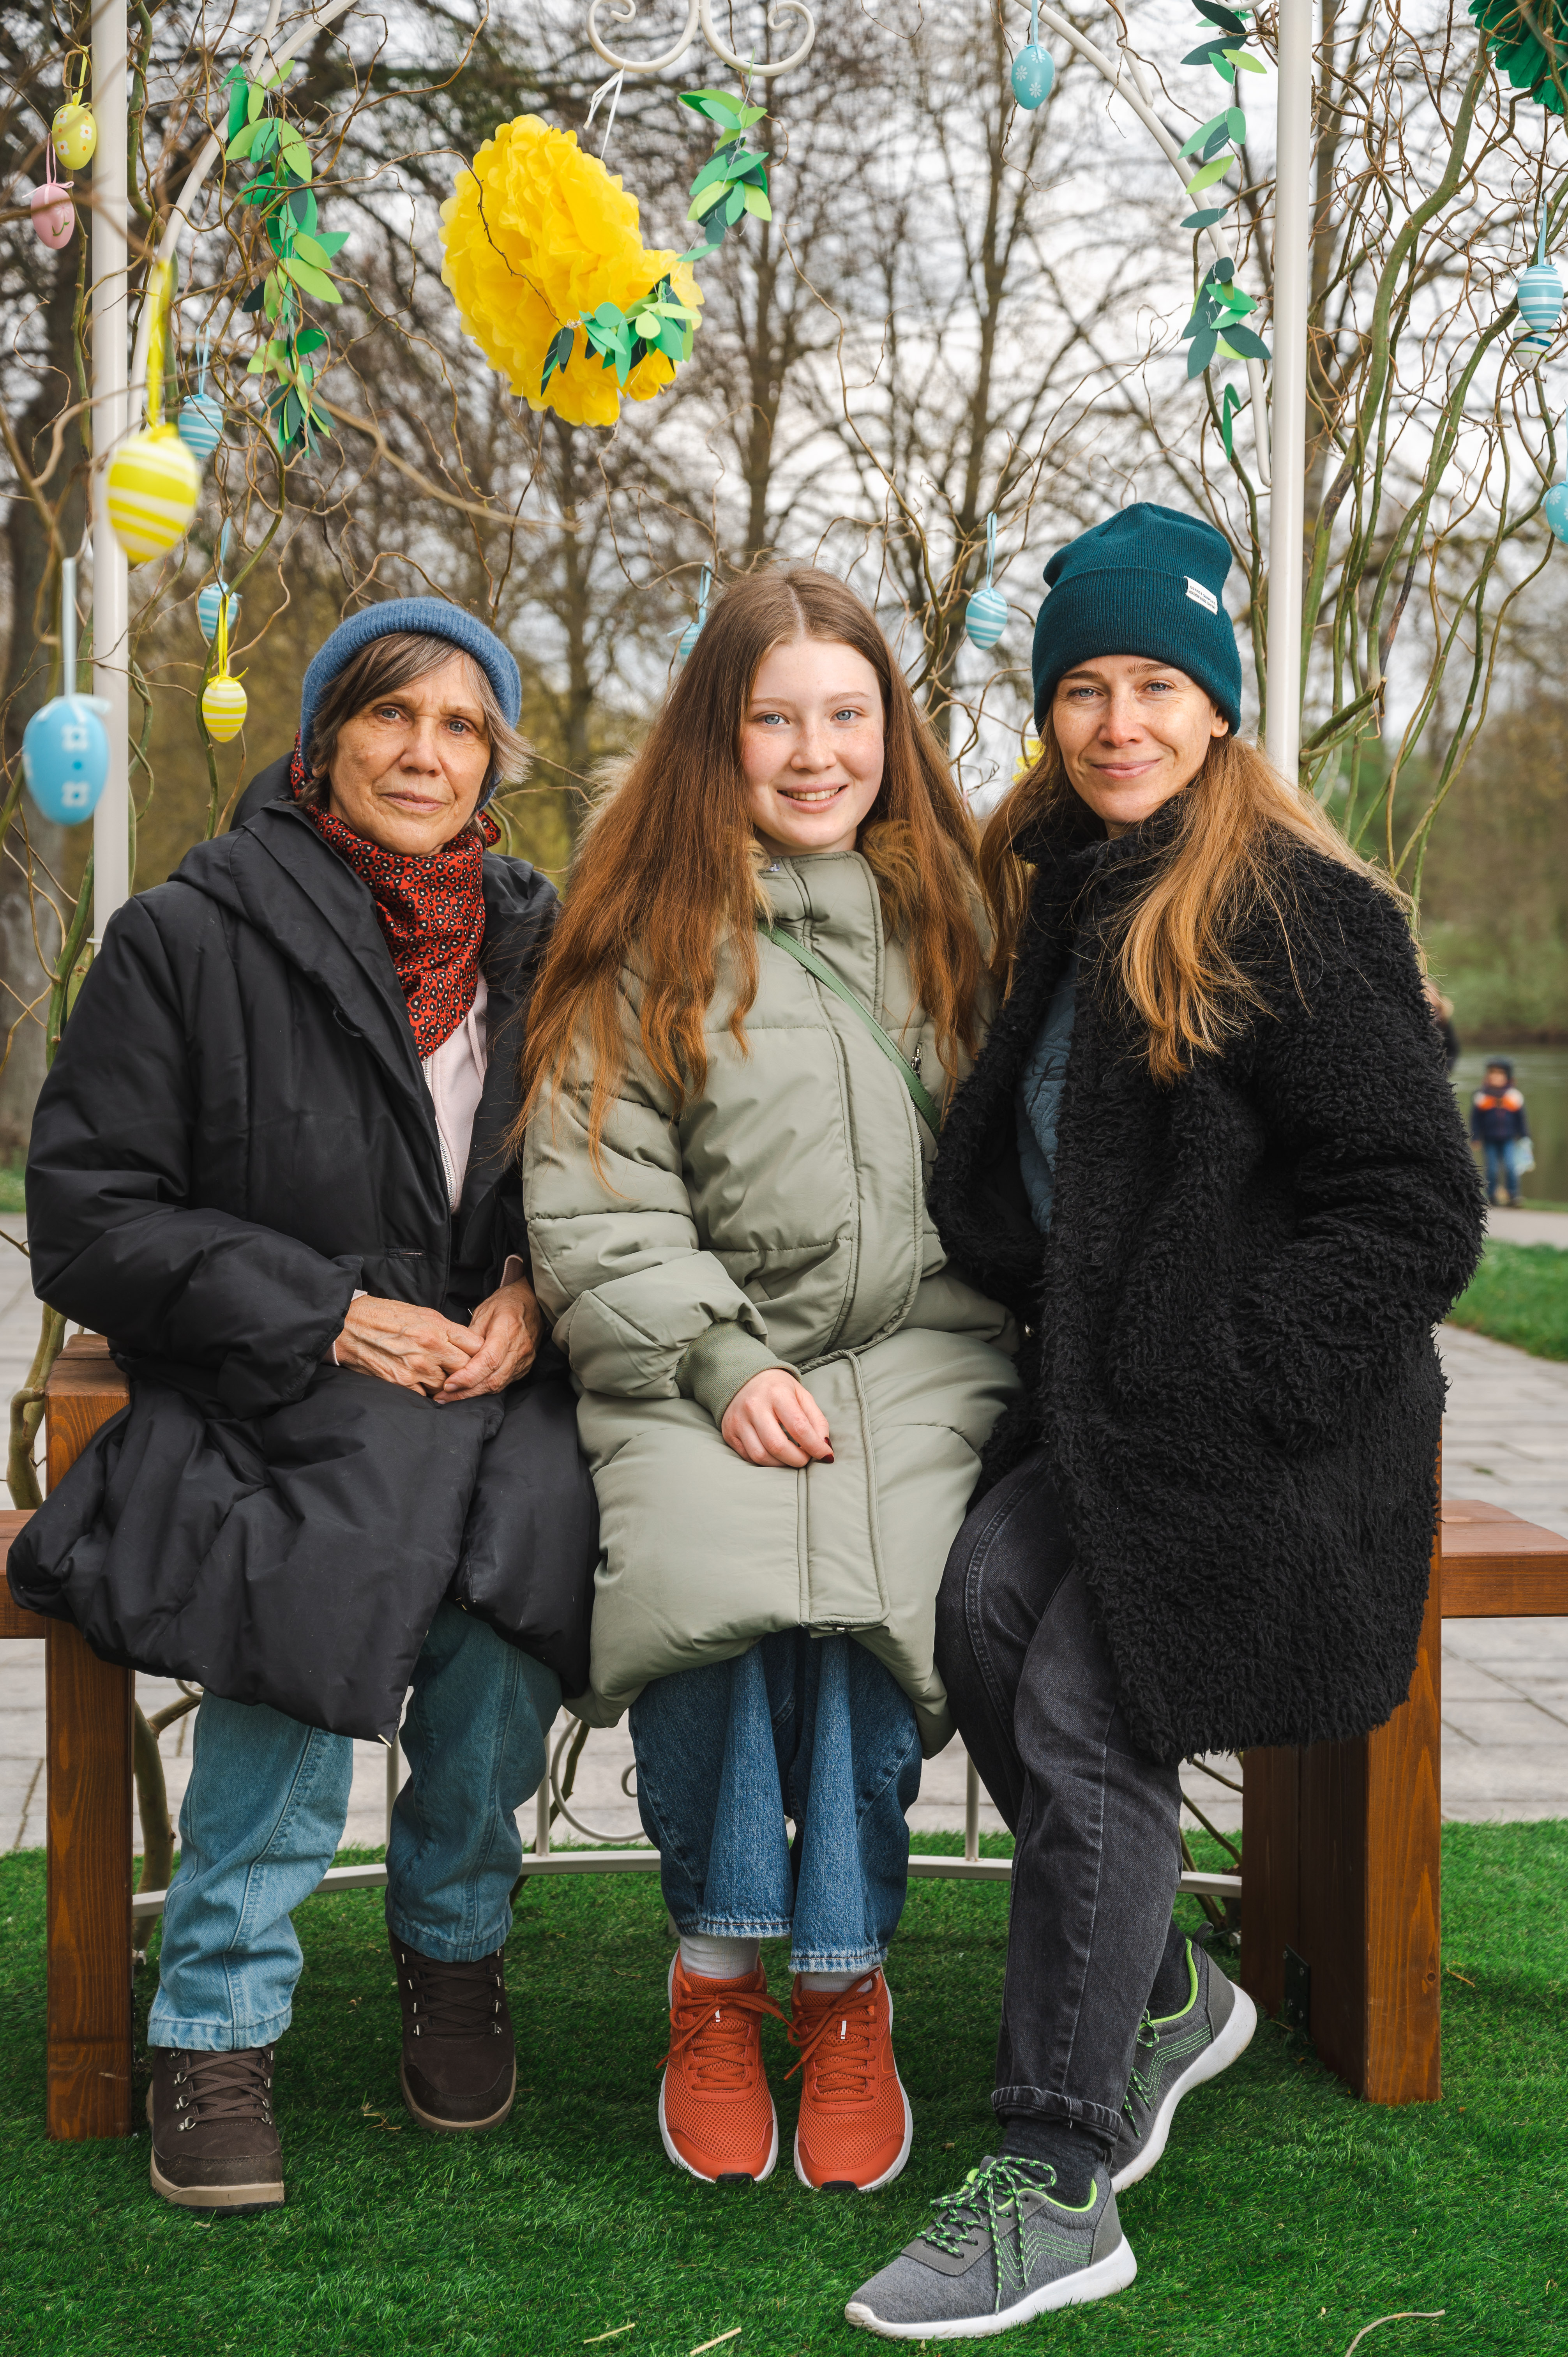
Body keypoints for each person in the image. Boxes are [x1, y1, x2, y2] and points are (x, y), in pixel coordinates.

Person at [846, 504, 1484, 2337]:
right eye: (1082, 689)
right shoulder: (1065, 890)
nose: (1116, 721)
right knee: (979, 1605)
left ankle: (1056, 2176)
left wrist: (1241, 1371)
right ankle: (1168, 1998)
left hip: (1281, 1436)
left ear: (1215, 705)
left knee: (1083, 1700)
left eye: (1153, 685)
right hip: (1116, 1412)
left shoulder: (1294, 910)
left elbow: (1413, 1208)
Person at [8, 599, 598, 2213]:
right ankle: (215, 2021)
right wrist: (322, 1312)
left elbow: (608, 1176)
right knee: (313, 1561)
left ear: (493, 764)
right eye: (390, 714)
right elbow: (89, 1218)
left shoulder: (549, 951)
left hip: (485, 1384)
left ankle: (455, 1945)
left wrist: (537, 1295)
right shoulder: (187, 934)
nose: (424, 752)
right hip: (268, 1382)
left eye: (461, 726)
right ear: (323, 738)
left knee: (524, 1554)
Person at [521, 569, 1018, 2194]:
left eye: (847, 714)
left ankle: (845, 1981)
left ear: (891, 727)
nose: (816, 754)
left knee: (872, 1585)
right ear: (714, 736)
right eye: (774, 718)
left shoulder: (965, 922)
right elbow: (597, 1198)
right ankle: (720, 1977)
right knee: (716, 1579)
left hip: (923, 1349)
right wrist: (717, 1358)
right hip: (691, 1347)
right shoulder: (640, 932)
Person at [1469, 1057, 1530, 1207]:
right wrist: (1475, 1137)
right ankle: (1491, 1196)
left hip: (1509, 1139)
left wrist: (1525, 1136)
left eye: (1500, 1074)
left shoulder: (1514, 1097)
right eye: (1493, 1073)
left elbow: (1521, 1119)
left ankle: (1513, 1196)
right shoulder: (1482, 1097)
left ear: (1508, 1077)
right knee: (1492, 1169)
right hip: (1489, 1139)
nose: (1496, 1077)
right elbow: (1475, 1120)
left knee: (1511, 1167)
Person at [1423, 977, 1461, 1072]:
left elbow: (1453, 1049)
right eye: (1426, 994)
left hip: (1439, 1069)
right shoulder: (1416, 1018)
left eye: (1433, 995)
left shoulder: (1444, 1020)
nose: (1429, 998)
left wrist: (1445, 1069)